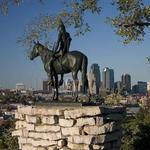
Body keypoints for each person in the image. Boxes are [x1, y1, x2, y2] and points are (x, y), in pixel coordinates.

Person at [49, 19, 72, 86]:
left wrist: (54, 52)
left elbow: (58, 43)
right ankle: (61, 78)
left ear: (60, 28)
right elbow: (68, 43)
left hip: (61, 51)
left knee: (50, 62)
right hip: (67, 51)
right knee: (62, 63)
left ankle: (51, 79)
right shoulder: (68, 34)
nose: (58, 30)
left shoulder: (60, 33)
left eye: (59, 28)